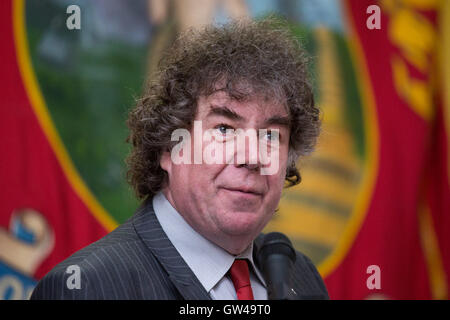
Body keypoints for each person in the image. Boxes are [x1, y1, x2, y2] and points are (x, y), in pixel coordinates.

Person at [30, 18, 329, 300]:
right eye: (224, 129)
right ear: (168, 147)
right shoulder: (87, 288)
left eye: (270, 136)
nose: (252, 157)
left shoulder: (300, 278)